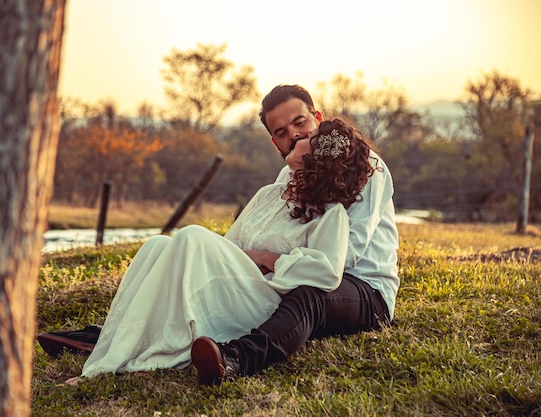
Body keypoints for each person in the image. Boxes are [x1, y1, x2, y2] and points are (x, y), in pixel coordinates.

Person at [65, 115, 377, 385]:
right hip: (236, 287)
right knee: (157, 245)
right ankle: (121, 340)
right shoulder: (269, 194)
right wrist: (226, 261)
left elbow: (328, 271)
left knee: (190, 237)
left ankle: (130, 360)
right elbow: (228, 247)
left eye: (310, 136)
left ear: (317, 157)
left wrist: (269, 259)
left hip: (265, 300)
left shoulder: (330, 213)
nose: (299, 136)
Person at [190, 84, 399, 386]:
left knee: (308, 295)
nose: (295, 135)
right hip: (301, 271)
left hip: (364, 288)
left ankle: (236, 359)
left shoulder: (367, 168)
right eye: (282, 132)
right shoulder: (289, 175)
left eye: (300, 122)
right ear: (275, 143)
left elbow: (346, 258)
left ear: (317, 117)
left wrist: (270, 260)